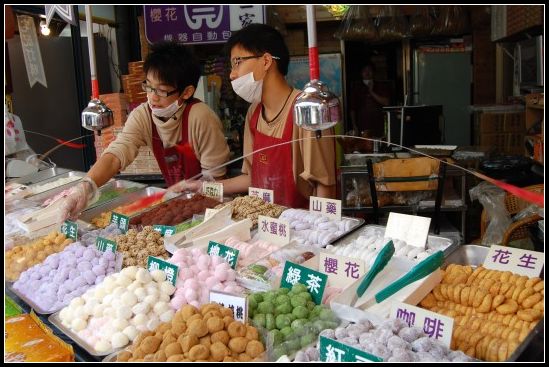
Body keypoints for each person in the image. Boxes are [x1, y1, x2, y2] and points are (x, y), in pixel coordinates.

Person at [58, 41, 230, 221]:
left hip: (210, 207)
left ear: (186, 92)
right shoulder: (143, 115)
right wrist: (86, 186)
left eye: (162, 91)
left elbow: (215, 181)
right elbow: (118, 152)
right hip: (178, 204)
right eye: (148, 86)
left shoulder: (201, 117)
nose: (152, 97)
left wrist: (189, 202)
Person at [170, 24, 336, 208]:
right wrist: (201, 187)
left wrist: (321, 230)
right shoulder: (254, 113)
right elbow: (251, 178)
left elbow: (324, 185)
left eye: (237, 62)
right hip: (266, 225)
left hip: (302, 228)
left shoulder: (305, 110)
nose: (232, 75)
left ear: (266, 61)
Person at [349, 62, 390, 137]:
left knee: (379, 144)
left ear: (373, 72)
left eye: (369, 70)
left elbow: (386, 102)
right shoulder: (356, 88)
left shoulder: (380, 85)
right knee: (364, 145)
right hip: (362, 124)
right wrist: (354, 125)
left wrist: (371, 92)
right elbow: (352, 109)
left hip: (378, 124)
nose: (367, 72)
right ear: (361, 73)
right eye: (365, 70)